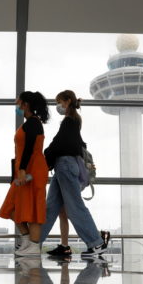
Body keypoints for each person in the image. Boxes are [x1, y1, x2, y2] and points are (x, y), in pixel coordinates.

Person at [41, 90, 109, 257]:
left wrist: (46, 155)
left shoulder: (70, 121)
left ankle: (97, 242)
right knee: (50, 207)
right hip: (62, 166)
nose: (58, 106)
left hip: (65, 165)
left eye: (60, 102)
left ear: (68, 101)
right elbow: (75, 144)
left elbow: (60, 144)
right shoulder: (73, 121)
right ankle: (34, 243)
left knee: (74, 207)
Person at [0, 91, 50, 257]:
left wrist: (22, 170)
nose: (16, 105)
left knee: (34, 209)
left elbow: (29, 148)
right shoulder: (29, 123)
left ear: (25, 104)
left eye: (18, 102)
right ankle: (27, 239)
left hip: (32, 170)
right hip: (25, 170)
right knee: (11, 207)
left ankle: (34, 246)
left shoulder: (33, 123)